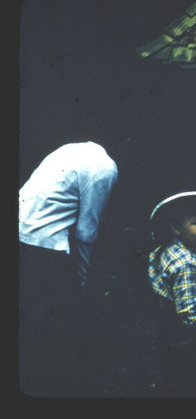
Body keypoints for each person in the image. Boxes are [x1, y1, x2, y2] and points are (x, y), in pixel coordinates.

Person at [18, 140, 118, 395]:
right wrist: (82, 278)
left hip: (20, 229)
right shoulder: (105, 168)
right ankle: (57, 383)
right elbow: (86, 230)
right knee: (55, 319)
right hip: (46, 244)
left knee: (29, 311)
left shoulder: (70, 150)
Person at [147, 187, 196, 396]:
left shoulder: (164, 250)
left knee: (172, 373)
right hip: (184, 334)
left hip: (166, 329)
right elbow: (188, 309)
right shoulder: (186, 264)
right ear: (176, 229)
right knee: (193, 378)